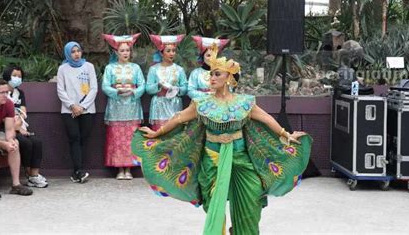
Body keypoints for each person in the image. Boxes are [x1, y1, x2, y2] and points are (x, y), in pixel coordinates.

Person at [132, 44, 312, 235]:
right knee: (214, 206)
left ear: (229, 77)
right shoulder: (201, 103)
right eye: (211, 74)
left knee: (251, 200)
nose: (212, 78)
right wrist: (157, 134)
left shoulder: (244, 102)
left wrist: (286, 134)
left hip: (241, 159)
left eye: (217, 74)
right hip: (212, 160)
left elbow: (267, 119)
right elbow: (178, 118)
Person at [0, 79, 33, 201]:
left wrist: (10, 140)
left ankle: (16, 185)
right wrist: (3, 144)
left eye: (7, 92)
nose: (6, 95)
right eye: (2, 92)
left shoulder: (8, 104)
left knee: (15, 143)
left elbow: (10, 130)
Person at [102, 33, 145, 180]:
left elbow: (143, 85)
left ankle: (130, 168)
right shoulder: (109, 68)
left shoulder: (136, 68)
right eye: (122, 51)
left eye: (127, 50)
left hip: (132, 106)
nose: (125, 53)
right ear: (116, 52)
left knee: (130, 138)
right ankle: (120, 169)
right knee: (117, 138)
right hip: (116, 106)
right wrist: (117, 91)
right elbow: (105, 86)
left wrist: (134, 91)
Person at [57, 41, 98, 183]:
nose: (76, 54)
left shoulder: (89, 67)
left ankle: (77, 171)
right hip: (69, 111)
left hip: (87, 110)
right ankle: (78, 170)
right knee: (74, 138)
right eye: (73, 51)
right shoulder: (63, 69)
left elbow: (94, 88)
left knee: (82, 139)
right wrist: (72, 106)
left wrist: (82, 107)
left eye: (78, 50)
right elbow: (60, 90)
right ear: (68, 53)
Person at [2, 65, 48, 188]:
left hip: (20, 125)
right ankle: (28, 174)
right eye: (14, 75)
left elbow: (23, 112)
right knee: (25, 143)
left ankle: (34, 175)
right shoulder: (2, 92)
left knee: (37, 142)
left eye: (20, 76)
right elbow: (1, 114)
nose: (17, 78)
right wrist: (16, 128)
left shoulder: (20, 93)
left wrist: (19, 126)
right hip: (5, 129)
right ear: (7, 75)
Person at [146, 34, 188, 131]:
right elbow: (148, 88)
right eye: (168, 51)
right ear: (161, 53)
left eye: (173, 51)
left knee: (174, 133)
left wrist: (176, 89)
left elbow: (185, 88)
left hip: (174, 104)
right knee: (159, 132)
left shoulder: (179, 70)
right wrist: (158, 85)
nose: (171, 53)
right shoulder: (154, 69)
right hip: (159, 104)